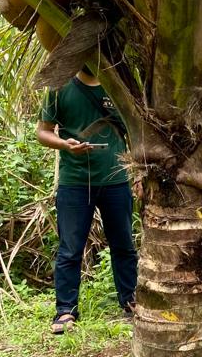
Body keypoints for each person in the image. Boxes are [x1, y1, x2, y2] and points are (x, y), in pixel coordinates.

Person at [36, 66, 138, 334]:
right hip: (75, 182)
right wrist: (65, 145)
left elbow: (136, 129)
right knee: (70, 248)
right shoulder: (59, 87)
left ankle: (130, 301)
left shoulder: (118, 85)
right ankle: (65, 311)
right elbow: (43, 131)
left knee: (124, 244)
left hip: (116, 179)